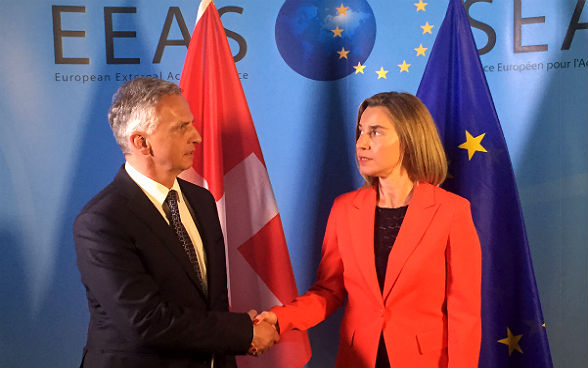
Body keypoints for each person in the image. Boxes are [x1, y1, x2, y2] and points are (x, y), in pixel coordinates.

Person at [255, 92, 481, 367]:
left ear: (409, 138)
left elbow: (464, 313)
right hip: (357, 359)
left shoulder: (451, 211)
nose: (361, 143)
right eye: (360, 132)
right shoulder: (344, 209)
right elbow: (329, 291)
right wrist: (281, 318)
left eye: (375, 133)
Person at [73, 77, 278, 368]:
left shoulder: (202, 201)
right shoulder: (100, 221)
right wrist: (245, 333)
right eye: (181, 127)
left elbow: (212, 304)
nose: (197, 136)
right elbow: (146, 321)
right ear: (141, 142)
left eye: (190, 123)